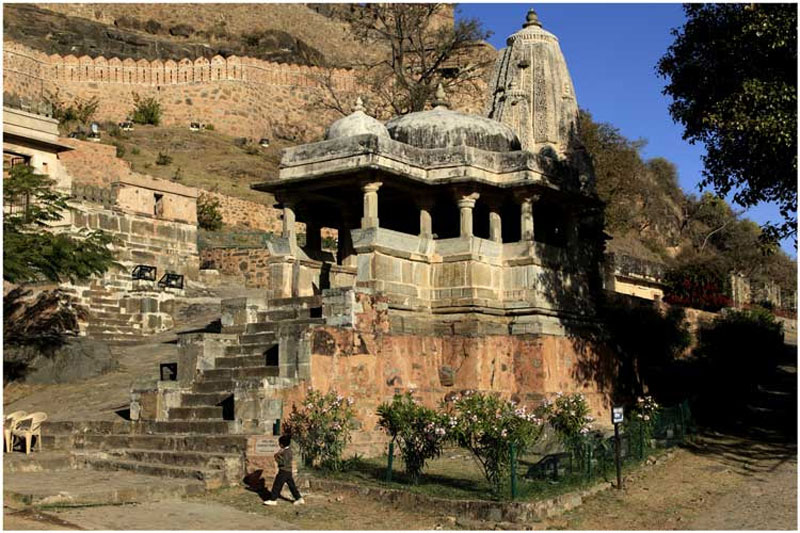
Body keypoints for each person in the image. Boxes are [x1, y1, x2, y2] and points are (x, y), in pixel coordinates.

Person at [263, 435, 305, 506]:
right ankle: (299, 498)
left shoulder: (286, 452)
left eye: (279, 443)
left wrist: (276, 458)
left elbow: (283, 462)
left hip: (284, 471)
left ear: (282, 444)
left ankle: (273, 499)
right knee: (292, 486)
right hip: (288, 471)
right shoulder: (288, 450)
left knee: (277, 485)